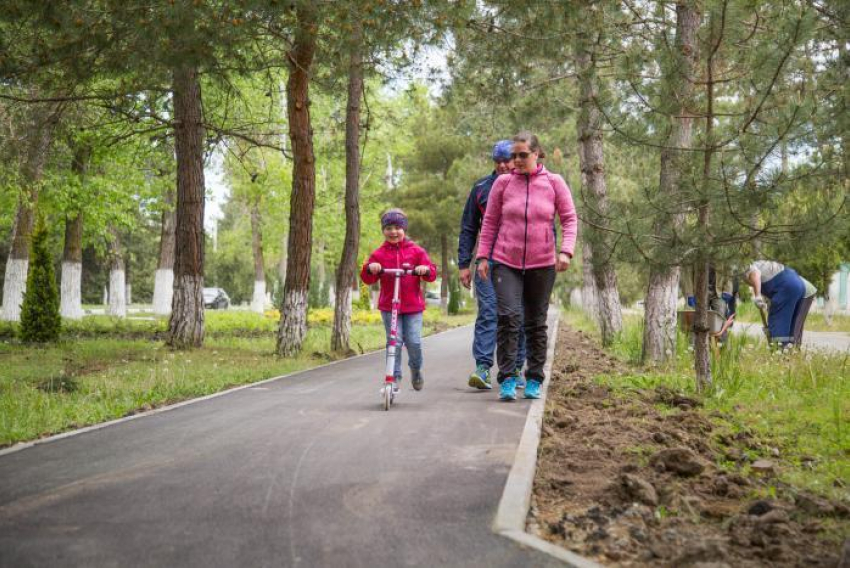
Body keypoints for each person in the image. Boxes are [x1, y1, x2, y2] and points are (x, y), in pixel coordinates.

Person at [476, 132, 578, 401]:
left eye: (522, 155)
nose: (517, 160)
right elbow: (490, 223)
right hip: (505, 261)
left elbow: (569, 218)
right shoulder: (503, 184)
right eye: (513, 156)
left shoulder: (554, 183)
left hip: (542, 263)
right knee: (509, 317)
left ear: (536, 154)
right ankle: (508, 378)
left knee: (535, 322)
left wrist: (566, 251)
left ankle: (534, 377)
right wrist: (483, 256)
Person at [458, 140, 527, 391]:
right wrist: (464, 264)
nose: (501, 166)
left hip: (520, 261)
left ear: (516, 159)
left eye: (506, 161)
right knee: (489, 312)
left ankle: (516, 367)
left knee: (516, 315)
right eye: (497, 161)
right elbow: (468, 228)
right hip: (488, 261)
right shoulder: (480, 189)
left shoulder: (528, 186)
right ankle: (483, 367)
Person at [361, 209, 437, 392]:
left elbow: (432, 273)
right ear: (383, 230)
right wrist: (371, 268)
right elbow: (367, 278)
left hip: (412, 307)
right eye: (388, 228)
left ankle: (416, 369)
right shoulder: (379, 254)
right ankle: (392, 378)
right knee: (393, 341)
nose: (393, 231)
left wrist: (424, 269)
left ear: (404, 229)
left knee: (414, 342)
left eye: (397, 227)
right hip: (389, 306)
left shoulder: (416, 251)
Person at [744, 260, 817, 347]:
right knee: (791, 327)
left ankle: (779, 351)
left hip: (793, 287)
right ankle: (790, 352)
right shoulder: (765, 268)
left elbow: (755, 274)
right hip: (797, 286)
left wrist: (757, 296)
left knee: (779, 323)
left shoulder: (746, 266)